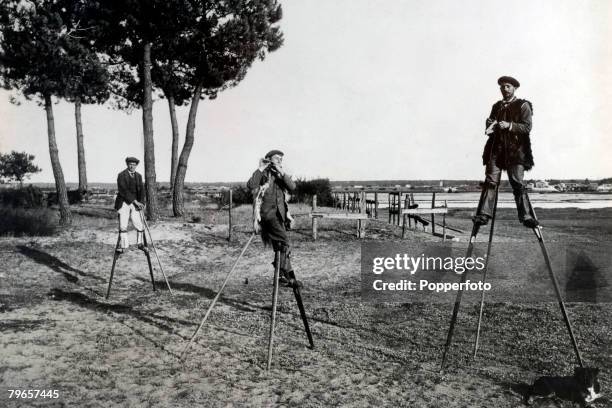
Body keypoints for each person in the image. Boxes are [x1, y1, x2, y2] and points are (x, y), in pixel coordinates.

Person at [473, 76, 539, 228]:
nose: (505, 89)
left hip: (516, 150)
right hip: (496, 149)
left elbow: (527, 127)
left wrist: (509, 125)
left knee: (517, 183)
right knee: (490, 182)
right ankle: (483, 215)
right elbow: (490, 126)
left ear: (514, 88)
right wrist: (490, 125)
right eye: (502, 86)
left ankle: (527, 217)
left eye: (508, 86)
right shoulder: (496, 106)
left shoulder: (523, 105)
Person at [247, 150, 300, 287]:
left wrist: (281, 173)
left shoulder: (280, 174)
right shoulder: (263, 173)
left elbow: (292, 187)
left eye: (281, 159)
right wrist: (260, 168)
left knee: (280, 247)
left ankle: (285, 276)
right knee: (285, 242)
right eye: (277, 158)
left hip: (280, 216)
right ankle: (282, 272)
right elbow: (251, 185)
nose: (280, 161)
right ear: (269, 159)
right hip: (268, 216)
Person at [114, 157, 146, 253]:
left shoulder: (139, 176)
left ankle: (140, 243)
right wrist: (135, 201)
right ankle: (124, 246)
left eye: (134, 164)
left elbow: (141, 191)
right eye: (130, 164)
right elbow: (124, 191)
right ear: (127, 164)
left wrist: (142, 203)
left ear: (136, 165)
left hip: (135, 203)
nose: (132, 166)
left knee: (139, 224)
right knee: (123, 224)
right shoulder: (121, 175)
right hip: (124, 201)